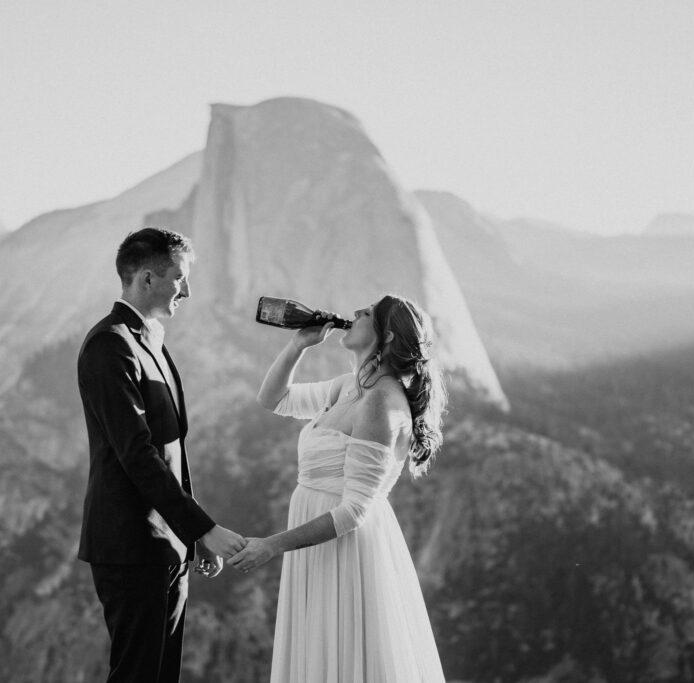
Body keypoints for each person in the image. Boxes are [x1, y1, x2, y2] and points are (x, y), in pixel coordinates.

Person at [231, 294, 448, 682]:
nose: (356, 313)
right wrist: (298, 344)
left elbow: (355, 512)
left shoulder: (381, 402)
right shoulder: (349, 387)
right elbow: (272, 399)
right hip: (317, 545)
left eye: (367, 313)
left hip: (345, 549)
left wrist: (272, 544)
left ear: (388, 338)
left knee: (342, 660)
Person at [76, 227, 246, 683]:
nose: (186, 290)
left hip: (166, 546)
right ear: (147, 278)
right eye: (180, 277)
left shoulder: (150, 340)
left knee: (161, 675)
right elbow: (137, 455)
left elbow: (173, 449)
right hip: (130, 546)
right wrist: (204, 528)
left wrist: (189, 537)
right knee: (137, 675)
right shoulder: (109, 344)